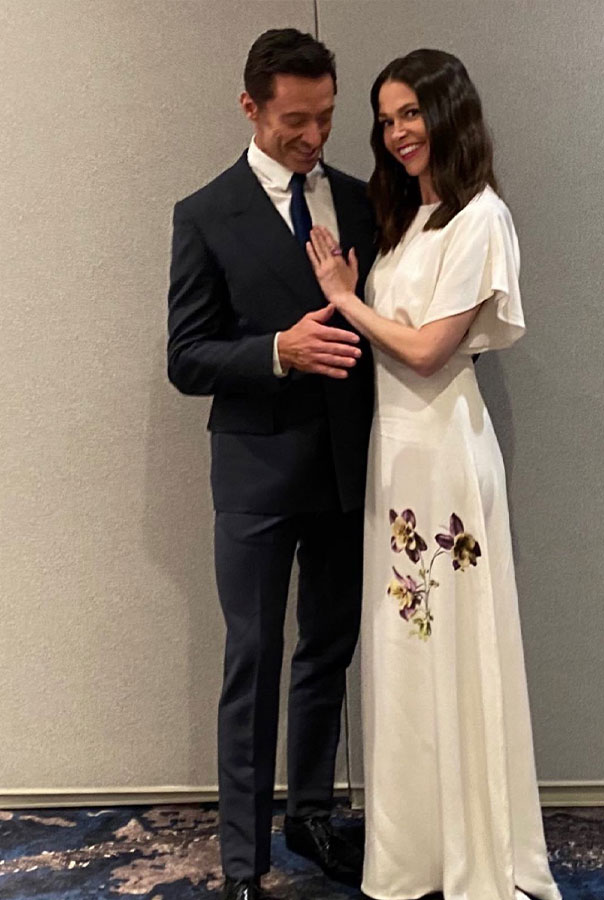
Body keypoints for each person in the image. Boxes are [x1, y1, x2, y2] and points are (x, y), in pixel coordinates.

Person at [306, 49, 562, 900]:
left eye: (410, 111)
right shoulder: (412, 219)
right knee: (409, 646)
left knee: (451, 643)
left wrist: (344, 298)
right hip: (399, 458)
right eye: (386, 118)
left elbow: (426, 349)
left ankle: (474, 852)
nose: (397, 131)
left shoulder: (480, 219)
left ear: (449, 112)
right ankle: (414, 849)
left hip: (447, 456)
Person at [166, 29, 375, 900]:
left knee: (327, 650)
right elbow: (187, 358)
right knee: (252, 657)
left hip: (347, 468)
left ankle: (316, 820)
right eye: (297, 120)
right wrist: (278, 352)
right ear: (251, 106)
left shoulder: (363, 202)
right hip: (253, 477)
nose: (315, 137)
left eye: (327, 118)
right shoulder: (204, 212)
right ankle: (245, 860)